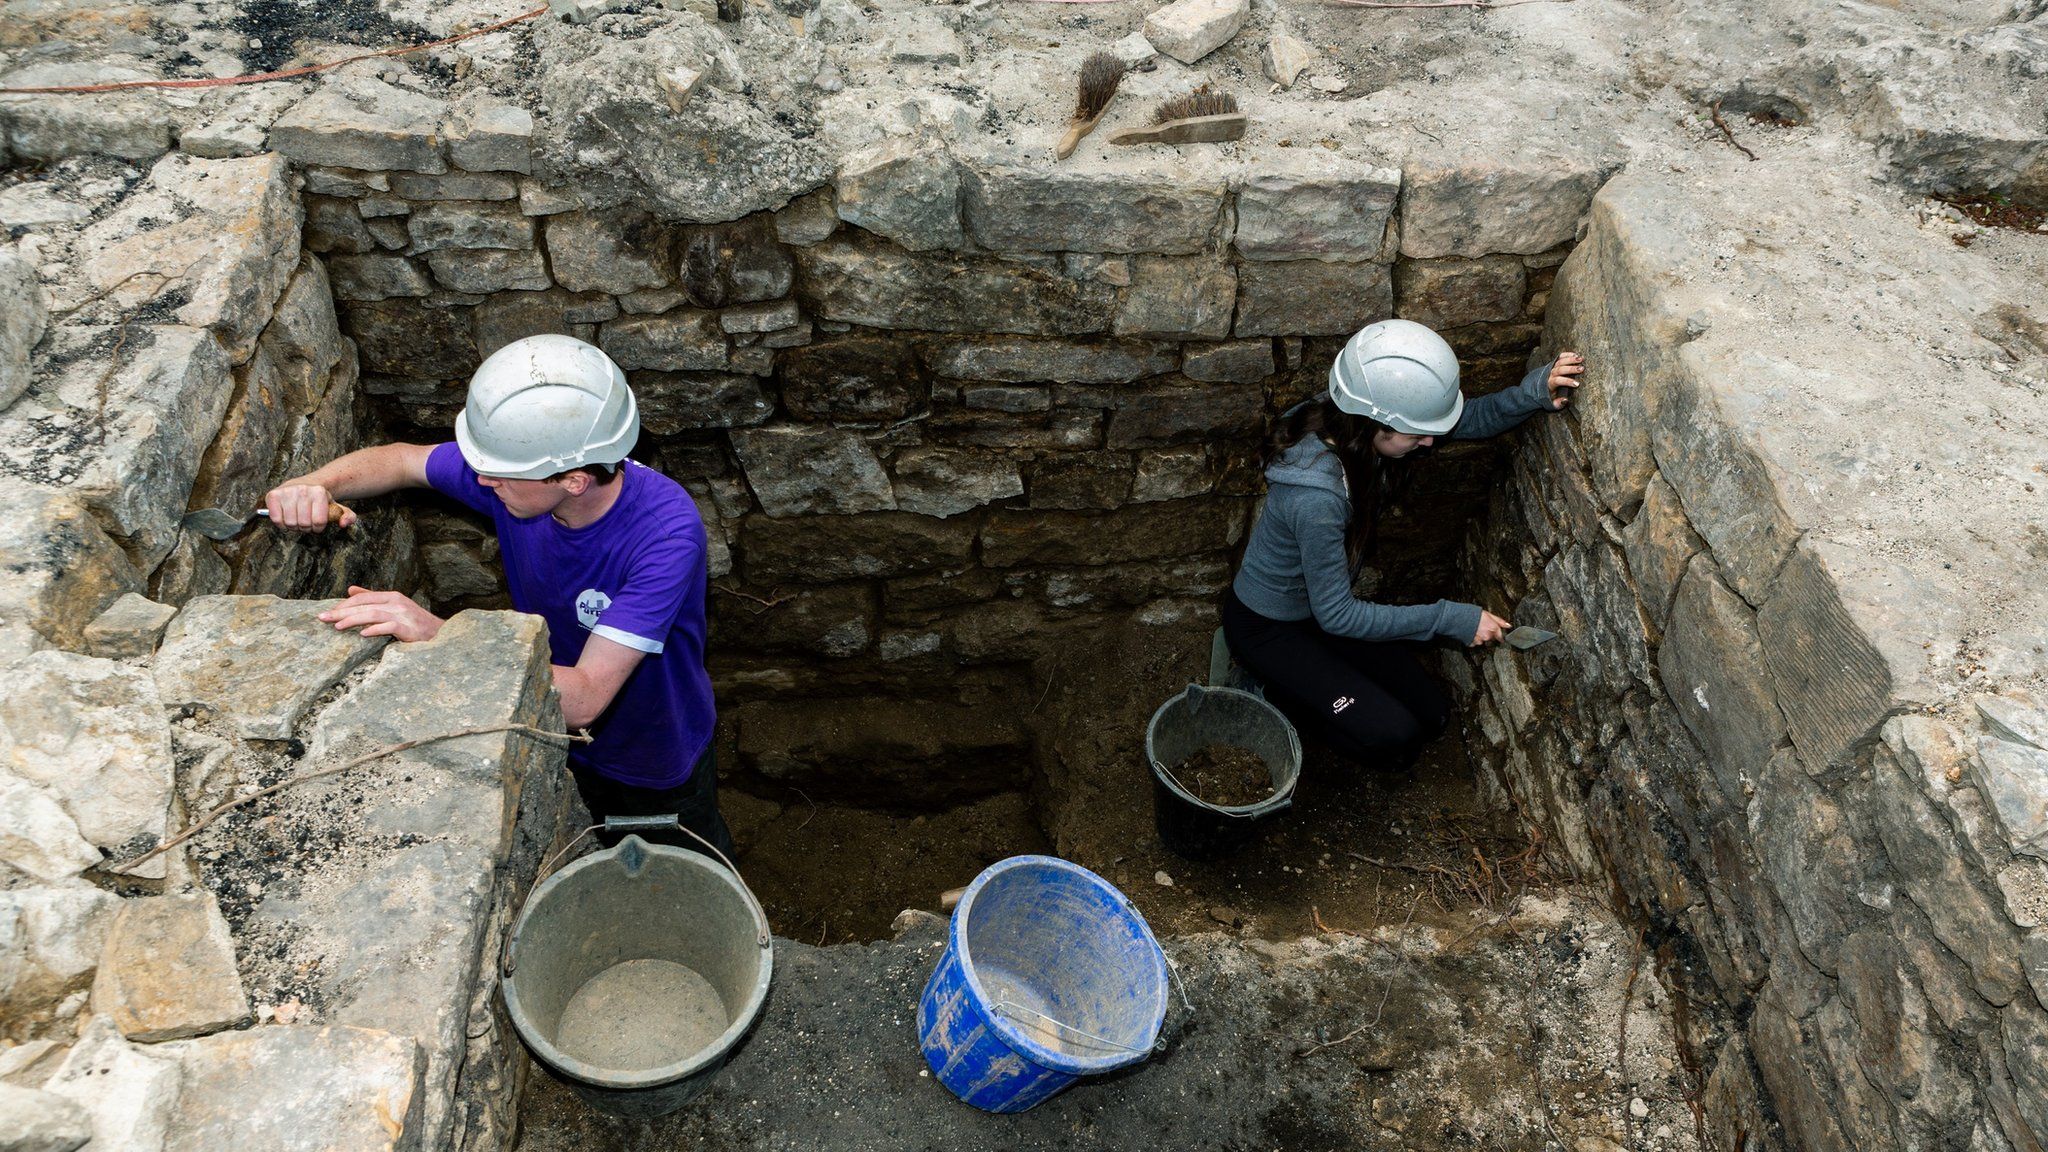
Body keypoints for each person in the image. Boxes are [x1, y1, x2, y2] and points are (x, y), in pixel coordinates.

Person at [264, 334, 732, 860]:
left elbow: (583, 699)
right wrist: (313, 484)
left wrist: (447, 635)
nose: (481, 478)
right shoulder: (523, 478)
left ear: (574, 480)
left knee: (685, 865)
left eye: (499, 472)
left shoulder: (664, 537)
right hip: (553, 736)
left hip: (653, 752)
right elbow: (400, 460)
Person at [1223, 318, 1586, 770]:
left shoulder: (1356, 418)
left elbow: (1465, 419)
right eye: (1417, 435)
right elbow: (1339, 615)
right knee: (1395, 740)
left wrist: (1531, 394)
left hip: (1317, 611)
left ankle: (1318, 684)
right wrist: (1449, 617)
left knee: (1432, 716)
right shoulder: (1315, 500)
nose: (1430, 442)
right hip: (1269, 625)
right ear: (1376, 424)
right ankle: (1270, 688)